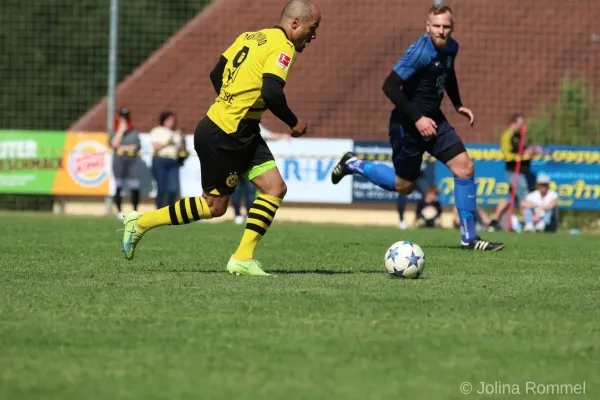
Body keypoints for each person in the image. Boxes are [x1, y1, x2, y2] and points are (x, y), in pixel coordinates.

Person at [120, 0, 321, 275]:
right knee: (213, 207)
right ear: (296, 23)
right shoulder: (283, 47)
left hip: (239, 128)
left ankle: (242, 258)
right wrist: (294, 123)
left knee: (274, 188)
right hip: (226, 133)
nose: (314, 35)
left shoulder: (249, 36)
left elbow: (216, 73)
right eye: (313, 28)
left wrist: (232, 103)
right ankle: (141, 222)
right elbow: (272, 92)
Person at [331, 4, 503, 251]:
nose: (442, 31)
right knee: (405, 186)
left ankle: (470, 238)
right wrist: (417, 119)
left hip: (436, 121)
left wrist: (457, 104)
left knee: (465, 168)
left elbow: (448, 72)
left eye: (446, 26)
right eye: (437, 26)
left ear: (452, 27)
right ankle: (353, 164)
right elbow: (389, 86)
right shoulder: (419, 52)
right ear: (427, 27)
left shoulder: (452, 47)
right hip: (407, 126)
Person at [231, 123, 290, 225]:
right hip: (247, 166)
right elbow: (269, 135)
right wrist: (283, 136)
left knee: (241, 192)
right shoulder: (252, 124)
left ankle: (240, 216)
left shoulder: (232, 124)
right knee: (244, 192)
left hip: (237, 165)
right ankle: (243, 215)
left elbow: (268, 135)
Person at [110, 107, 141, 219]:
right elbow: (114, 144)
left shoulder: (133, 131)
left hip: (131, 161)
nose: (124, 119)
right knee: (118, 185)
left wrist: (126, 148)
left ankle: (135, 210)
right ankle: (119, 211)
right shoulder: (114, 130)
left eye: (126, 117)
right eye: (122, 117)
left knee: (135, 185)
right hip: (119, 161)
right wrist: (121, 131)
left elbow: (137, 146)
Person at [149, 111, 185, 209]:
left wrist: (181, 140)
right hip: (160, 160)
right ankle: (159, 209)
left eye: (173, 120)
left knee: (173, 189)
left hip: (173, 161)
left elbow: (181, 149)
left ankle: (169, 211)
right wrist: (168, 141)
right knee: (162, 187)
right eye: (169, 120)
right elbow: (156, 148)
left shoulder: (176, 133)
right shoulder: (157, 131)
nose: (171, 122)